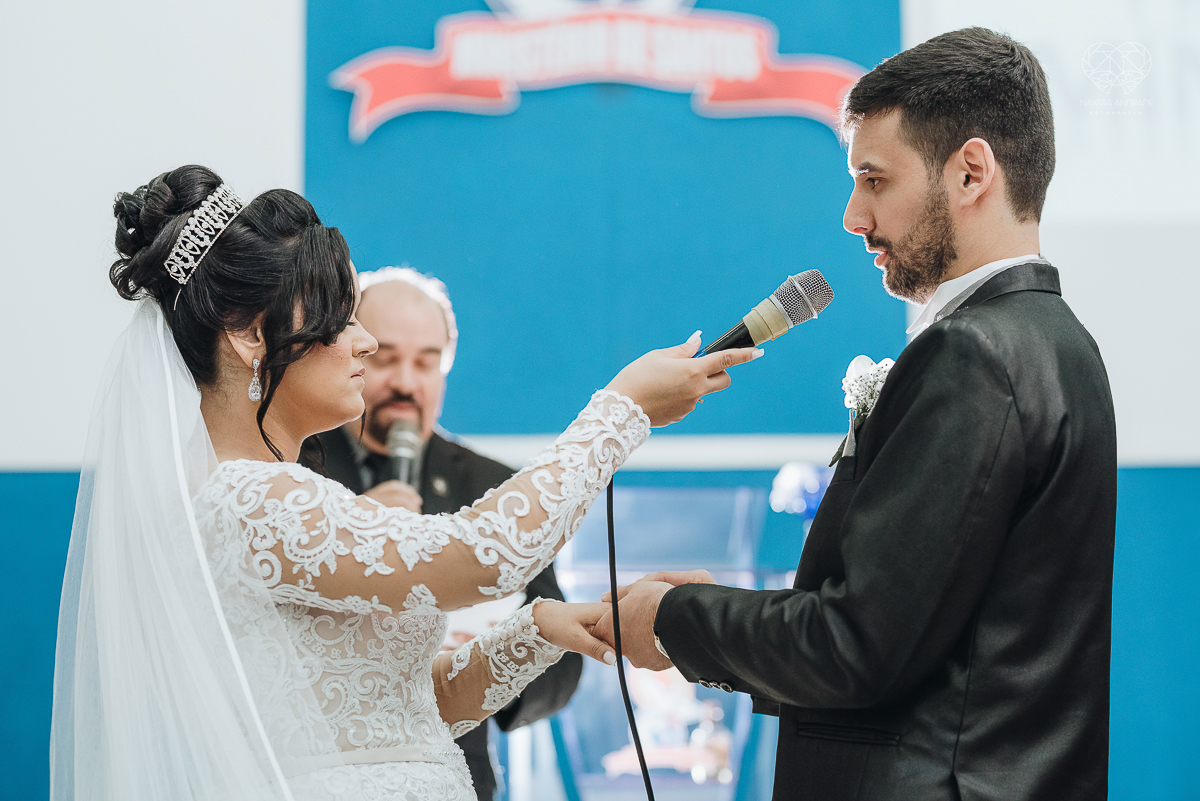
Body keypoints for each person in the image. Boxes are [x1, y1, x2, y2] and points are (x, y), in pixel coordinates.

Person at [50, 164, 760, 801]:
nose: (362, 342)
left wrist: (541, 629)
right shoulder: (251, 503)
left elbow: (402, 716)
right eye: (338, 316)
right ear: (247, 334)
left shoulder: (264, 493)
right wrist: (623, 409)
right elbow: (484, 555)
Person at [596, 28, 1116, 800]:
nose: (852, 215)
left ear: (972, 171)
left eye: (874, 179)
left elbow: (855, 647)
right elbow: (929, 643)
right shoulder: (1062, 342)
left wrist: (677, 617)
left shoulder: (972, 355)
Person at [301, 266, 581, 800]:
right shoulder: (298, 470)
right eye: (386, 359)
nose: (407, 382)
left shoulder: (496, 486)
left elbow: (562, 663)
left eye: (426, 363)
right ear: (350, 354)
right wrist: (348, 534)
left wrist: (492, 658)